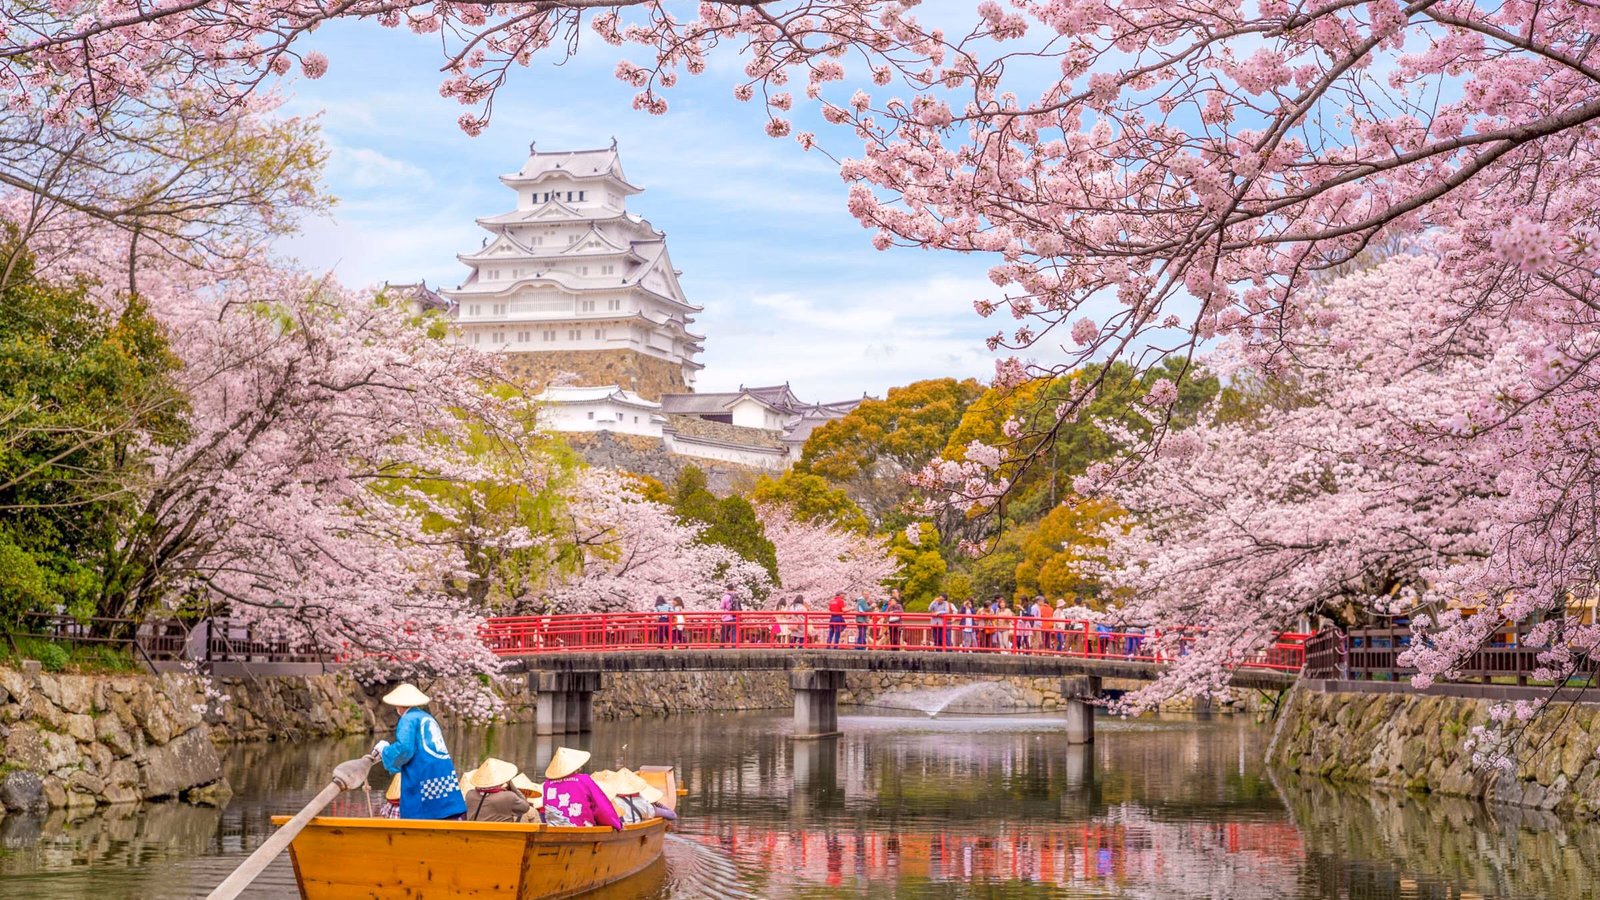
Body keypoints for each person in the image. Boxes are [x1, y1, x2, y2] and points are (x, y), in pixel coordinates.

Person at [374, 683, 468, 821]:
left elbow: (404, 749)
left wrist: (385, 750)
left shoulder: (407, 719)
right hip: (440, 767)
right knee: (444, 804)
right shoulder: (427, 717)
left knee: (422, 808)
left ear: (399, 705)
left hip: (422, 769)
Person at [543, 747, 623, 830]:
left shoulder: (547, 784)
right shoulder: (584, 780)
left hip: (553, 830)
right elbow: (602, 807)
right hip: (582, 830)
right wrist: (616, 824)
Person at [462, 757, 532, 823]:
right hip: (501, 835)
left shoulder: (470, 795)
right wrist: (513, 788)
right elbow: (525, 807)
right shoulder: (508, 797)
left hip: (473, 835)